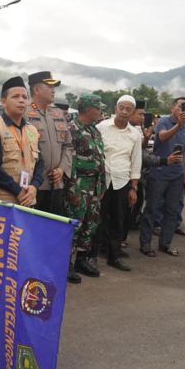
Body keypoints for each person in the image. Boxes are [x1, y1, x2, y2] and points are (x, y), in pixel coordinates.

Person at [24, 71, 75, 281]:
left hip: (57, 183)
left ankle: (55, 267)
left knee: (55, 230)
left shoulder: (58, 114)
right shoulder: (24, 113)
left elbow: (68, 146)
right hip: (36, 186)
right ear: (37, 89)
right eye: (49, 87)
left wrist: (62, 168)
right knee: (33, 232)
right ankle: (32, 271)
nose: (54, 91)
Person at [139, 97, 185, 257]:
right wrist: (178, 125)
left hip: (176, 175)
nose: (184, 110)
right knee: (152, 209)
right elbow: (162, 137)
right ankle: (145, 244)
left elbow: (183, 155)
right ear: (172, 108)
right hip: (159, 173)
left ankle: (165, 244)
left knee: (172, 211)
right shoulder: (163, 122)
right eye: (180, 106)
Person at [95, 95, 141, 272]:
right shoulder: (101, 127)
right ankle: (92, 255)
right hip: (102, 180)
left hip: (122, 182)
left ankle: (114, 257)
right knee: (97, 219)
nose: (124, 111)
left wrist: (134, 188)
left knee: (118, 221)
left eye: (128, 109)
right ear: (115, 108)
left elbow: (136, 162)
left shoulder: (135, 135)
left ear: (132, 112)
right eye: (121, 107)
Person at [0, 76, 44, 205]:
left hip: (27, 199)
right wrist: (17, 191)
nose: (21, 101)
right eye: (15, 97)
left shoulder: (31, 130)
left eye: (24, 97)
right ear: (3, 101)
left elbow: (40, 162)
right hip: (1, 202)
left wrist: (34, 186)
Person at [67, 93, 106, 278]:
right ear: (89, 109)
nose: (101, 111)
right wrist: (72, 189)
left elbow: (100, 158)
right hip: (79, 185)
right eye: (98, 108)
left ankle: (82, 260)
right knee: (74, 225)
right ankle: (66, 264)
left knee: (90, 225)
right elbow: (70, 161)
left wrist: (102, 186)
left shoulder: (94, 130)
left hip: (94, 186)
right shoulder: (72, 128)